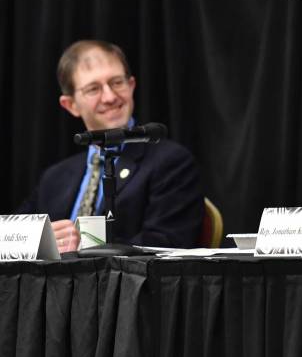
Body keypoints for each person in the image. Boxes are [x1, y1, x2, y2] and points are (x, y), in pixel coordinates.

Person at [18, 40, 203, 252]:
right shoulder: (54, 177)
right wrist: (40, 242)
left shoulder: (170, 163)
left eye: (117, 82)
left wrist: (81, 250)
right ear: (71, 105)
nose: (109, 97)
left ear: (131, 85)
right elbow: (9, 238)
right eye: (93, 89)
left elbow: (166, 244)